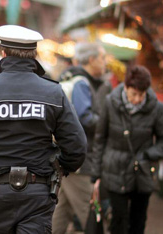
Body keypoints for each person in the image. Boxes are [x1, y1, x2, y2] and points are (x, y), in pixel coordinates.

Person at [0, 25, 87, 233]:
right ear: (34, 55)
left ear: (3, 53)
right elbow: (77, 146)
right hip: (38, 191)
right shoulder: (53, 93)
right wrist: (58, 168)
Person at [93, 65, 163, 234]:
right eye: (134, 94)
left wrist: (149, 154)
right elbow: (100, 138)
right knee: (118, 220)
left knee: (138, 221)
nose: (138, 99)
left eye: (142, 94)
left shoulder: (156, 108)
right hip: (115, 169)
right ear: (125, 88)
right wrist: (96, 175)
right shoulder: (111, 102)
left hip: (142, 171)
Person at [52, 42, 108, 234]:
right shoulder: (82, 83)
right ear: (91, 60)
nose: (105, 63)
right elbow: (85, 118)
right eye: (102, 58)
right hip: (80, 159)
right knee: (88, 208)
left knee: (63, 209)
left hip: (66, 154)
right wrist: (107, 121)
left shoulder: (72, 79)